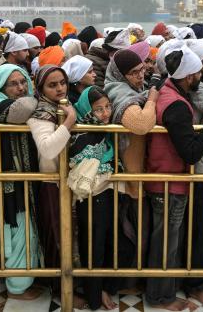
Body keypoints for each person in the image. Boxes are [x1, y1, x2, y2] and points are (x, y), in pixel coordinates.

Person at [145, 44, 203, 311]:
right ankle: (160, 297)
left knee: (166, 240)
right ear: (189, 76)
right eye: (198, 72)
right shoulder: (176, 105)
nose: (200, 77)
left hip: (165, 179)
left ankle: (163, 292)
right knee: (166, 242)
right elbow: (190, 152)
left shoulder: (167, 92)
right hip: (169, 183)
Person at [0, 64, 43, 300]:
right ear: (0, 87)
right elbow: (26, 105)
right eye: (13, 84)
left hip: (25, 180)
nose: (20, 87)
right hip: (9, 185)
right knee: (17, 233)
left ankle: (24, 280)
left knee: (28, 232)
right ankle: (17, 288)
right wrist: (43, 100)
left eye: (23, 81)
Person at [26, 65, 85, 307]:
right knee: (56, 237)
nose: (60, 88)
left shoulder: (63, 105)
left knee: (72, 235)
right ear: (40, 89)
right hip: (51, 182)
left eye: (62, 82)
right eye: (52, 85)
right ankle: (61, 290)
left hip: (69, 180)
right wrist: (69, 121)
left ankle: (73, 284)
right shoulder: (40, 112)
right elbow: (48, 148)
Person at [70, 86, 119, 310]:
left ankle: (102, 288)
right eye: (98, 109)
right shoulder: (81, 135)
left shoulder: (105, 130)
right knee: (93, 245)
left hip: (106, 194)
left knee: (106, 241)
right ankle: (94, 294)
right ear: (86, 110)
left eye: (107, 107)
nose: (106, 113)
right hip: (91, 197)